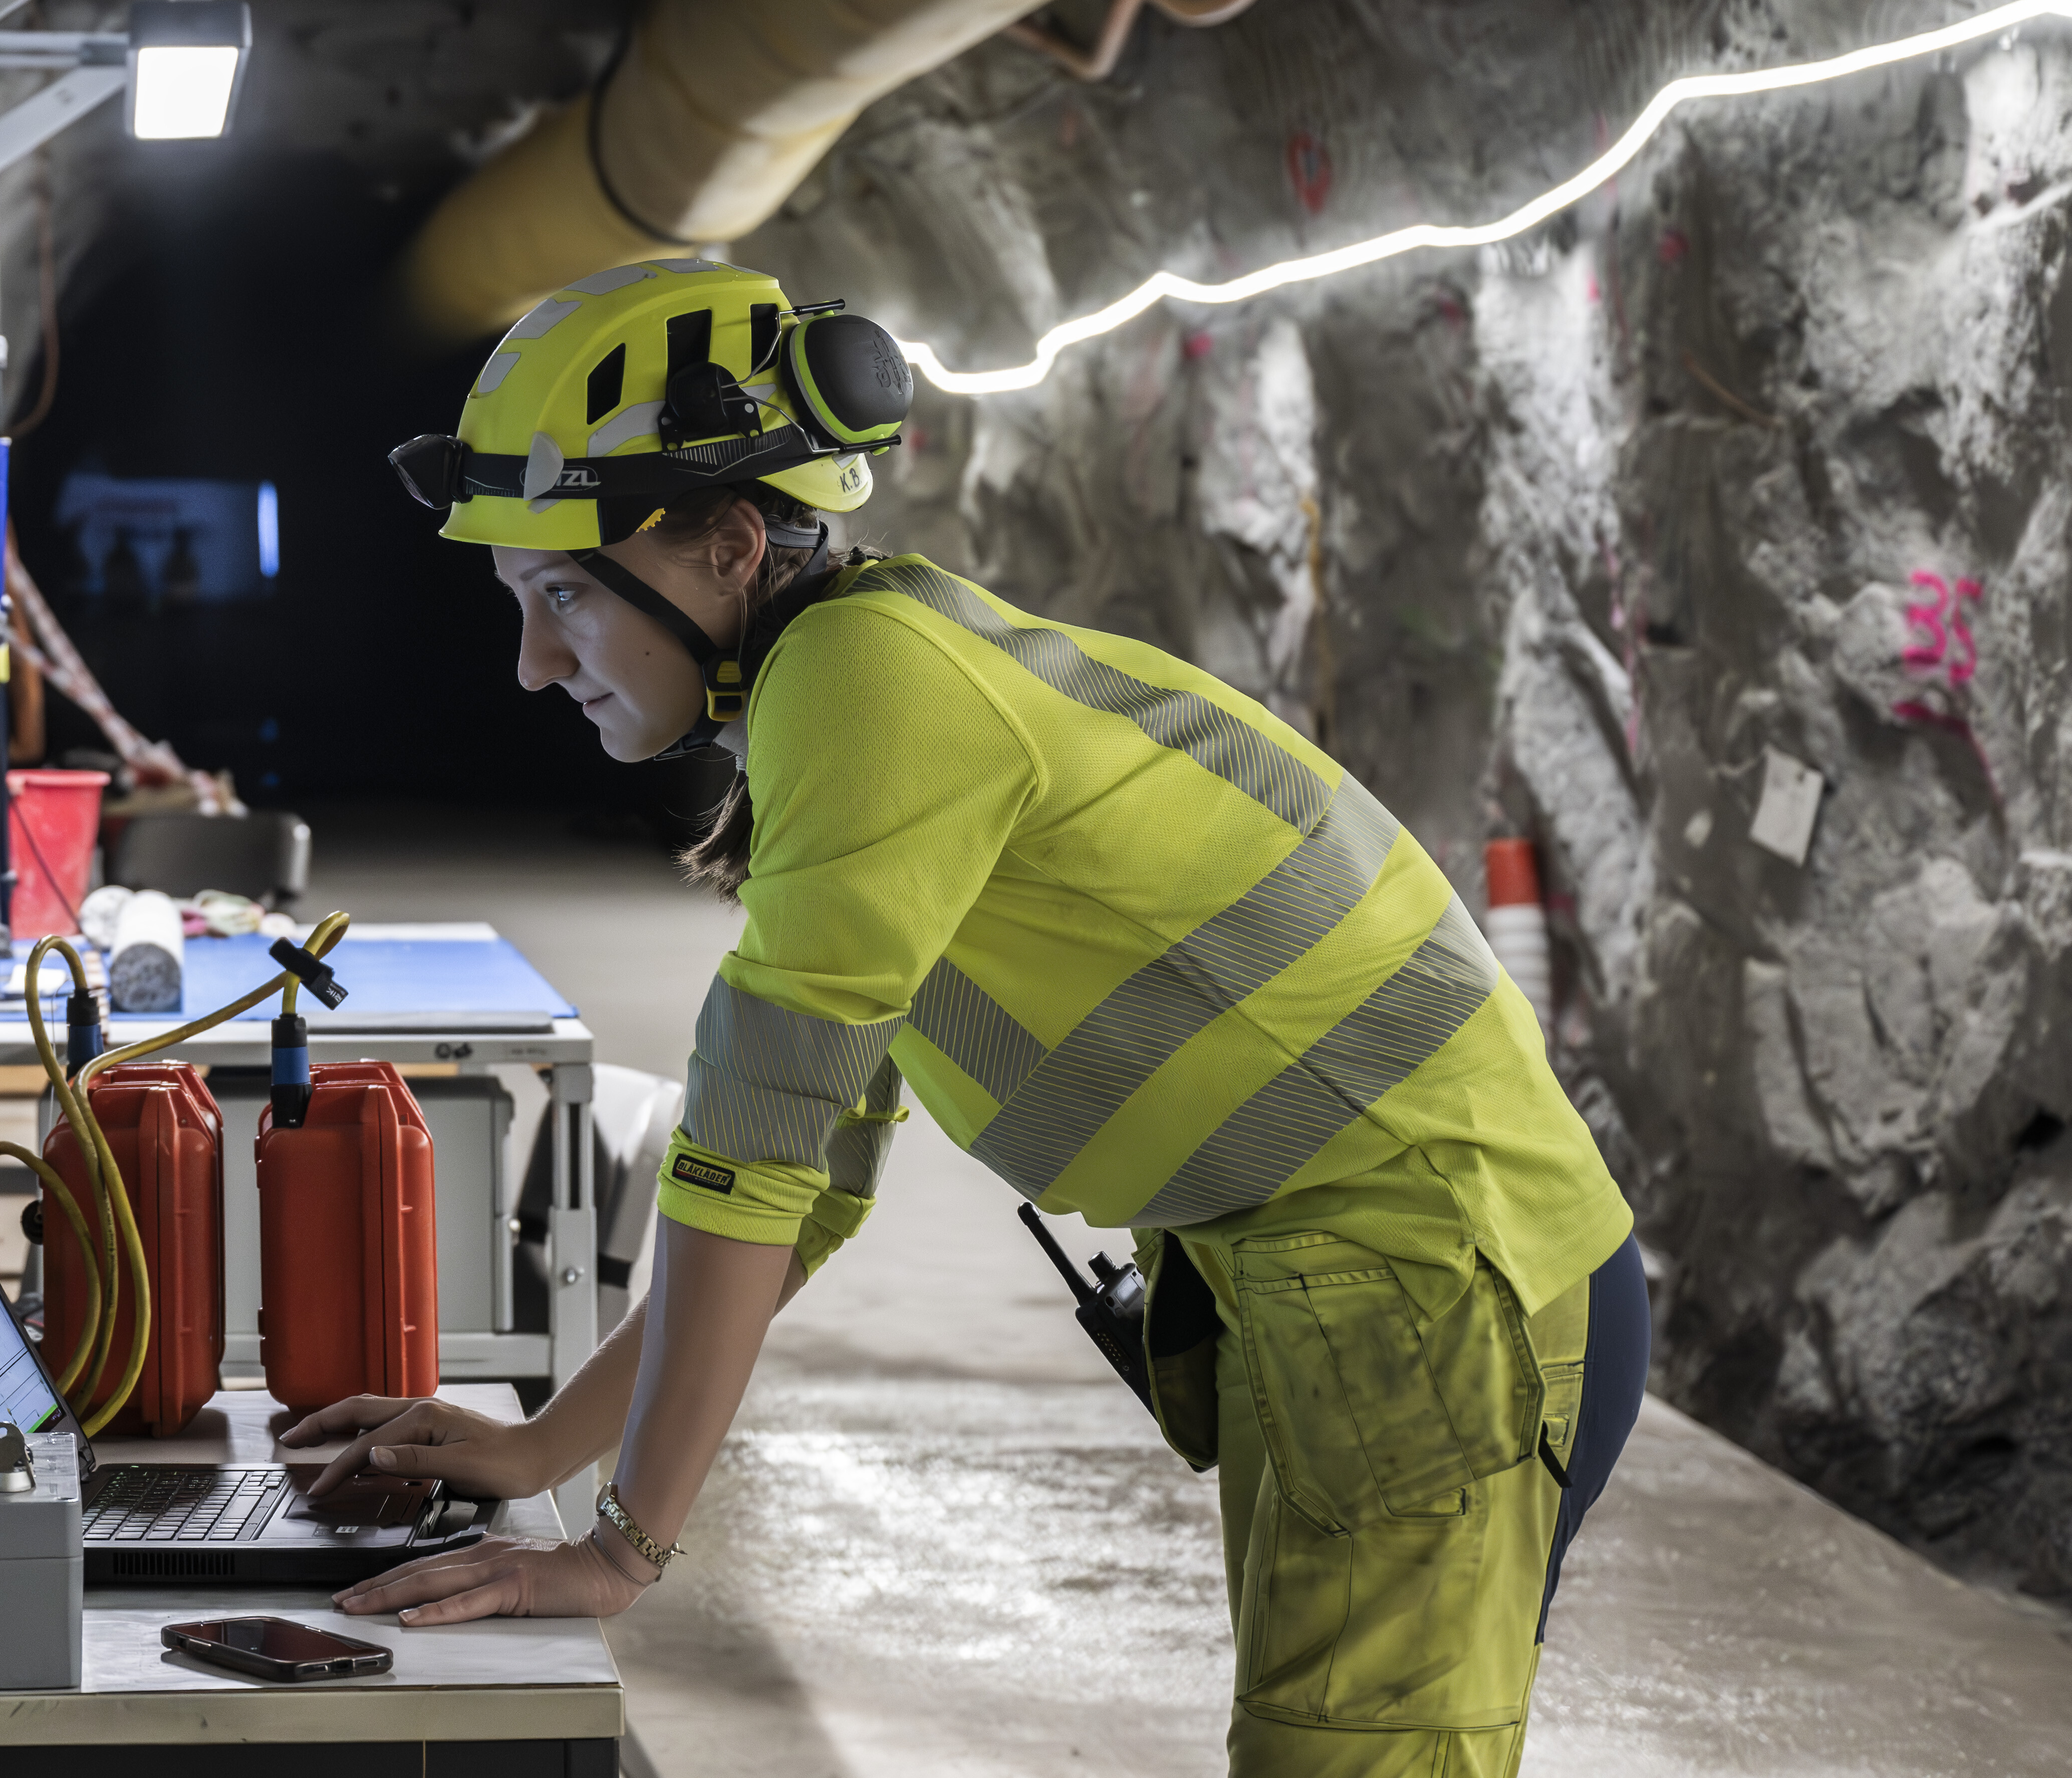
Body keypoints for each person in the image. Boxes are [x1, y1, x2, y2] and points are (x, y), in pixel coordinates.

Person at [308, 257, 1647, 1777]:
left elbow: (751, 1162)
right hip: (1362, 1279)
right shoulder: (855, 681)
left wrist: (620, 1549)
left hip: (1443, 1278)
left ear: (731, 546)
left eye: (560, 598)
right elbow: (802, 1194)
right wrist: (547, 1448)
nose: (537, 664)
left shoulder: (866, 682)